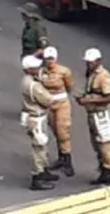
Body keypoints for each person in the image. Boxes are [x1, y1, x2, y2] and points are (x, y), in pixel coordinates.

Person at [76, 48, 110, 185]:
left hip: (101, 115)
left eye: (91, 62)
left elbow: (108, 98)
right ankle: (104, 172)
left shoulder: (103, 76)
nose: (88, 65)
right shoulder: (91, 74)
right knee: (97, 145)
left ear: (98, 61)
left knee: (106, 144)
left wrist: (88, 101)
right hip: (92, 114)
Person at [21, 54, 59, 191]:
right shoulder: (33, 85)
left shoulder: (27, 81)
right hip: (36, 118)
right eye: (35, 67)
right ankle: (37, 177)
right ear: (29, 69)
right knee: (39, 149)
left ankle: (44, 171)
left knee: (43, 146)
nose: (38, 68)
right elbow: (47, 99)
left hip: (36, 117)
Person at [41, 46, 75, 178]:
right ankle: (61, 157)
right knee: (55, 130)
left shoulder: (64, 72)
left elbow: (69, 86)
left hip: (62, 103)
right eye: (47, 59)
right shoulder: (41, 72)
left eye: (51, 59)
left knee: (63, 131)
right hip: (49, 104)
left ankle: (67, 161)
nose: (49, 61)